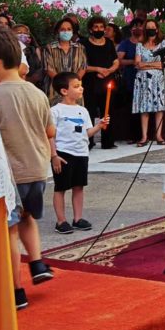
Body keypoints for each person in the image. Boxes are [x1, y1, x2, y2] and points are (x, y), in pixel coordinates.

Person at [0, 26, 55, 310]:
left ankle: (16, 291)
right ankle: (38, 263)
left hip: (10, 176)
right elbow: (50, 130)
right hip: (37, 171)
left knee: (9, 232)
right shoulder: (37, 93)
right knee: (28, 218)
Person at [49, 72, 109, 233]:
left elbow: (87, 133)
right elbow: (50, 135)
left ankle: (77, 218)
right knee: (60, 187)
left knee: (78, 186)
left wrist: (99, 126)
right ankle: (61, 221)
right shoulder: (56, 111)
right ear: (64, 91)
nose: (81, 88)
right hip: (63, 153)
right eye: (76, 86)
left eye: (81, 85)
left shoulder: (82, 110)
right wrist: (54, 155)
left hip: (81, 153)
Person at [81, 15, 119, 149]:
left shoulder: (108, 43)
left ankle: (108, 141)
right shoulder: (84, 43)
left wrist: (109, 71)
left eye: (101, 27)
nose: (99, 29)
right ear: (91, 29)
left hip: (107, 81)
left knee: (108, 111)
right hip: (90, 82)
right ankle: (89, 141)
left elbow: (115, 61)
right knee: (90, 111)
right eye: (96, 27)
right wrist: (97, 69)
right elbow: (82, 64)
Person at [132, 20, 165, 144]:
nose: (151, 29)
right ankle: (144, 136)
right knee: (144, 108)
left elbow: (163, 64)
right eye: (148, 27)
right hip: (143, 80)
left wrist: (146, 64)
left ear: (157, 29)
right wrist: (153, 65)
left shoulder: (162, 44)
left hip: (158, 79)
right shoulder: (140, 45)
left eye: (153, 27)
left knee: (159, 108)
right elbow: (137, 64)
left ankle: (159, 136)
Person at [44, 18, 87, 104]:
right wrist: (63, 84)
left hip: (75, 90)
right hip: (56, 89)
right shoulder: (49, 48)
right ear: (57, 31)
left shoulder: (80, 48)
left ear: (72, 31)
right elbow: (49, 69)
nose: (66, 31)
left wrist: (73, 85)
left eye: (69, 29)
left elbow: (83, 67)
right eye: (62, 29)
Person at [13, 24, 45, 91]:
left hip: (35, 86)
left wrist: (35, 78)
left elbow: (40, 66)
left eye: (25, 33)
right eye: (19, 33)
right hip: (17, 85)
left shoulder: (33, 49)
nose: (22, 35)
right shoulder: (11, 50)